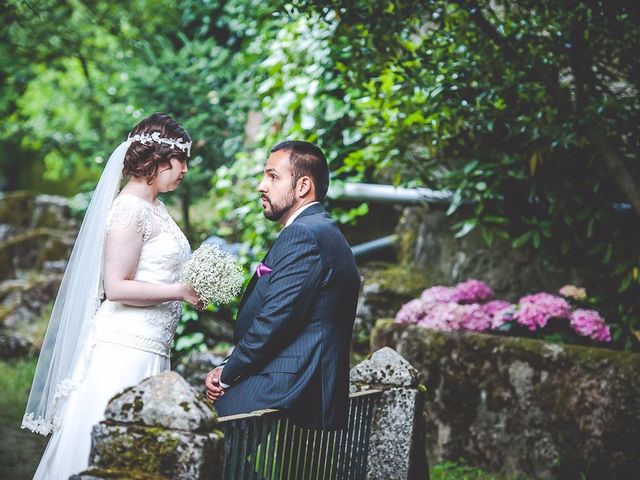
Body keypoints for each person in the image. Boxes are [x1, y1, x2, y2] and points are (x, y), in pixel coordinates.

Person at [23, 112, 203, 479]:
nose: (185, 168)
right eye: (180, 159)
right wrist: (180, 291)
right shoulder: (128, 210)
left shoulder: (156, 207)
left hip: (151, 346)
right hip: (125, 349)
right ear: (157, 159)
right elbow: (117, 286)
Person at [205, 140, 361, 431]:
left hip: (287, 386)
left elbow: (274, 321)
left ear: (303, 186)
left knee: (200, 435)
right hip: (296, 381)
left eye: (273, 176)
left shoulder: (303, 235)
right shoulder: (319, 229)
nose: (262, 186)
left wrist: (227, 375)